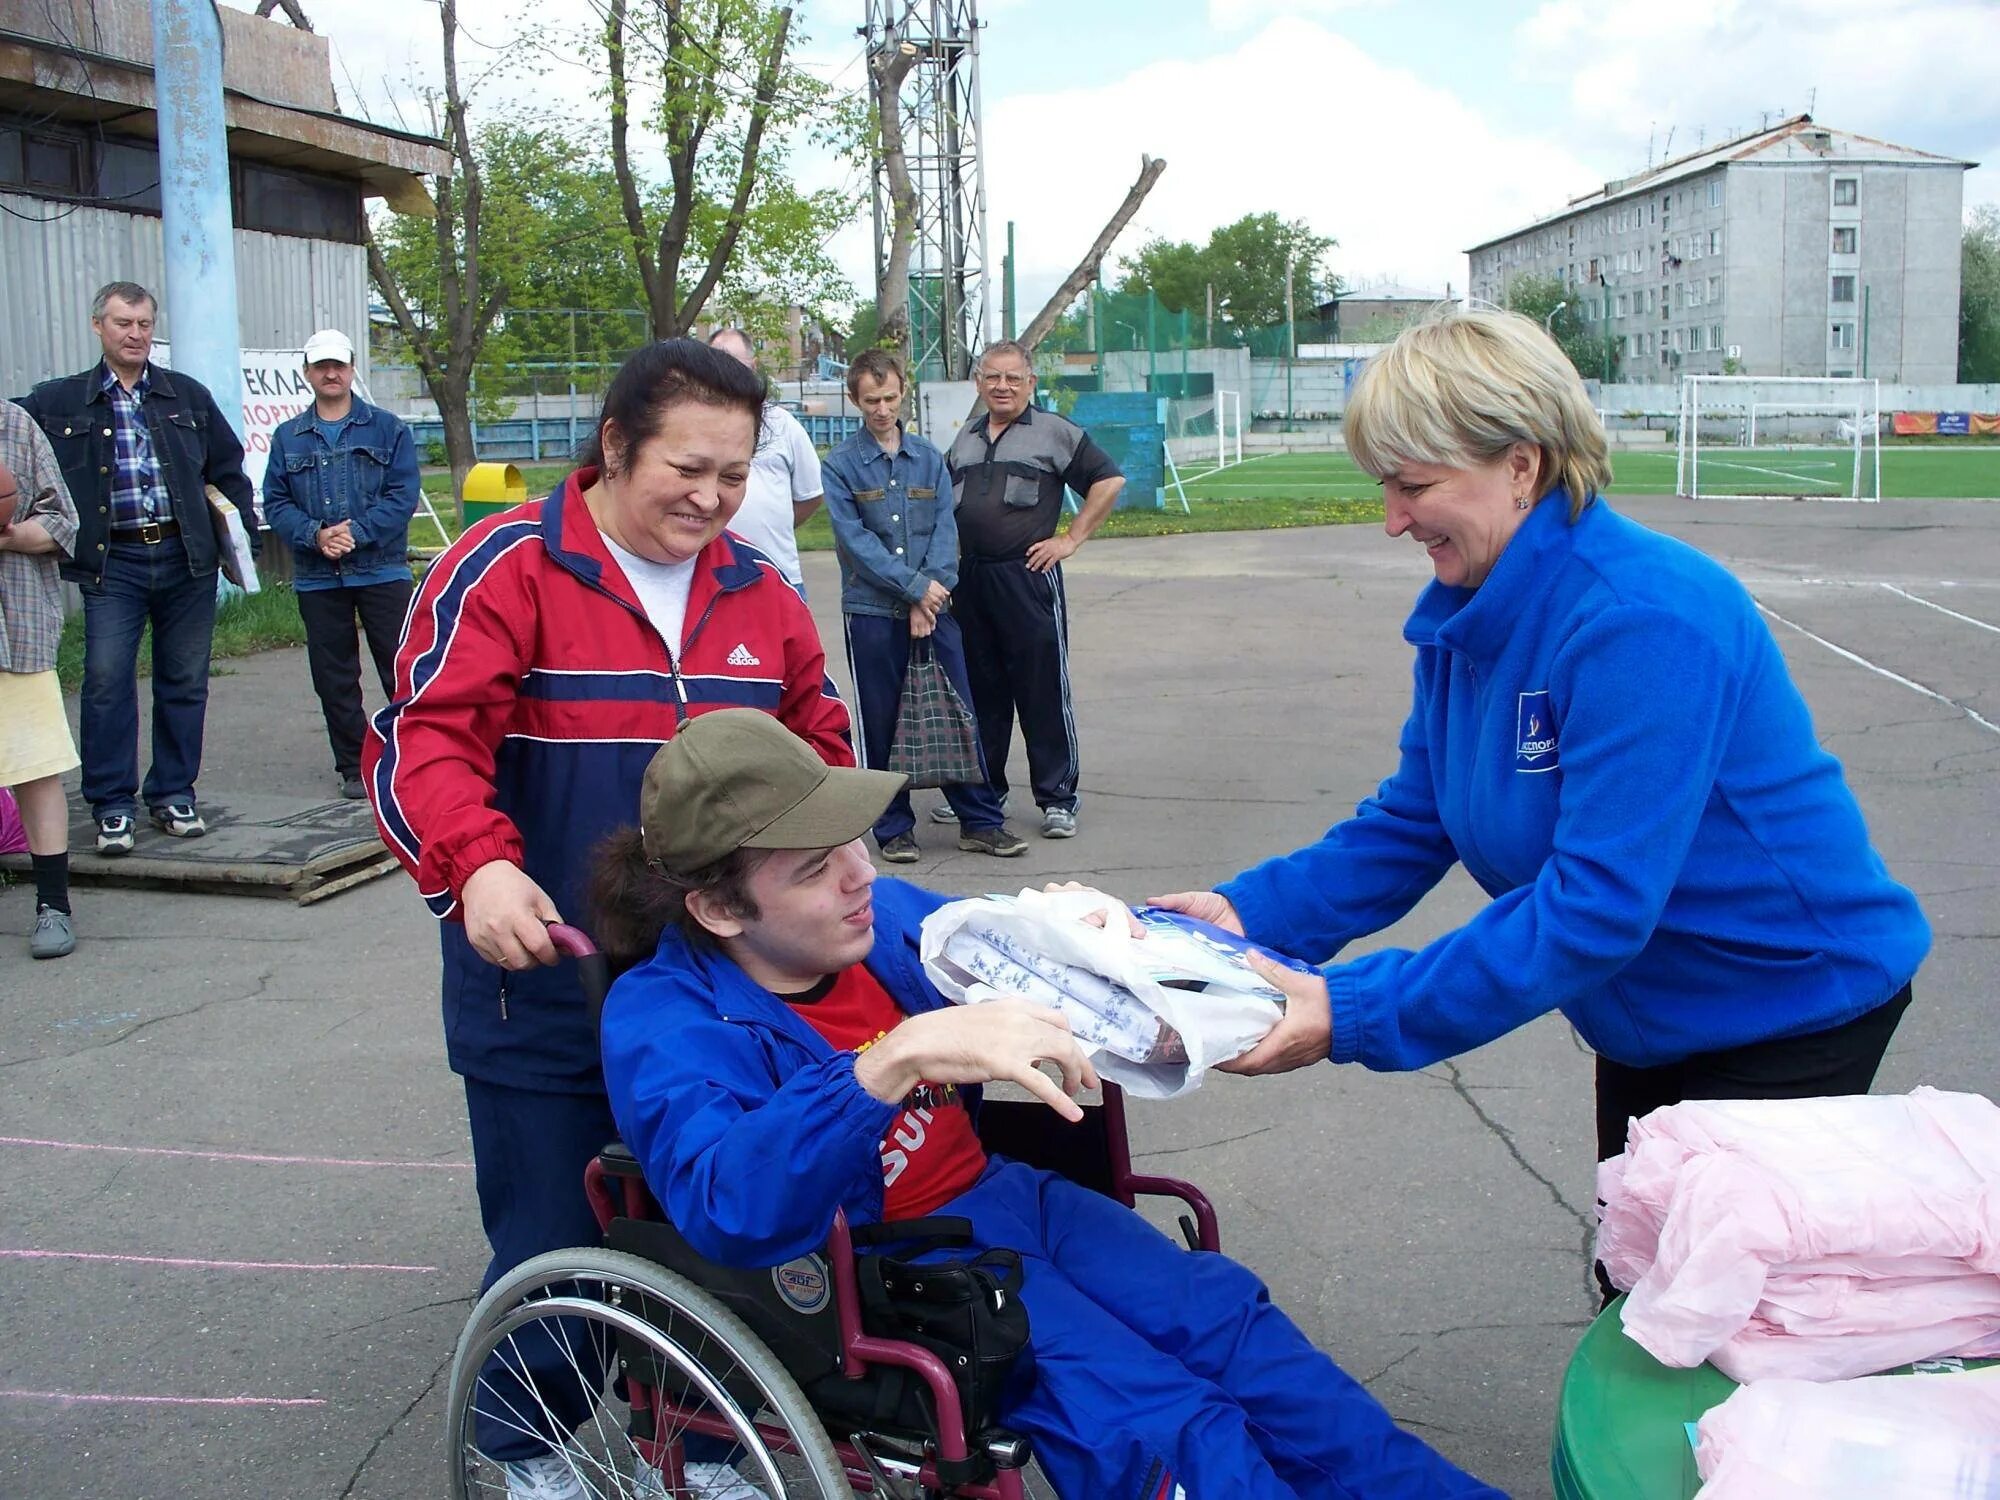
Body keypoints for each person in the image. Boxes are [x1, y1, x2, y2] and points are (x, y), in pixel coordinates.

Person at [1149, 308, 1931, 1299]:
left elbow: (1594, 905)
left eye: (1412, 485)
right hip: (1650, 1015)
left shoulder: (1641, 617)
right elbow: (1410, 822)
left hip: (1785, 1008)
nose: (1390, 518)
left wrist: (1346, 1012)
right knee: (1641, 1277)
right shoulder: (1471, 615)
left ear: (1519, 465)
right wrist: (1243, 919)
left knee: (1708, 1315)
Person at [591, 710, 1504, 1500]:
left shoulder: (878, 920)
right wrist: (890, 1060)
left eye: (856, 845)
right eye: (816, 868)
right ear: (718, 909)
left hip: (1003, 1197)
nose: (861, 876)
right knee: (1161, 1413)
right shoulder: (665, 1020)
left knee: (1234, 1329)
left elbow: (995, 945)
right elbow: (726, 1202)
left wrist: (1080, 927)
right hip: (890, 1271)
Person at [362, 337, 851, 1500]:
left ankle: (714, 1445)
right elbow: (420, 743)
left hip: (717, 992)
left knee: (719, 1227)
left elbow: (819, 746)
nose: (712, 499)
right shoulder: (505, 569)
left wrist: (832, 872)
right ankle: (521, 1455)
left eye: (735, 475)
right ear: (614, 446)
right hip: (544, 975)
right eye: (688, 468)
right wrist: (477, 868)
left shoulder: (759, 592)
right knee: (554, 1236)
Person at [15, 280, 257, 854]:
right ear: (98, 326)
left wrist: (234, 535)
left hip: (185, 557)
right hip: (111, 561)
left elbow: (229, 467)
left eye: (145, 324)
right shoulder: (59, 401)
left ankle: (174, 794)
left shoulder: (186, 397)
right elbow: (12, 444)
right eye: (124, 323)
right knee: (104, 682)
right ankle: (112, 805)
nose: (136, 334)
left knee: (185, 681)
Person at [821, 349, 1024, 863]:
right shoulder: (841, 466)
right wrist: (913, 590)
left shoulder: (929, 458)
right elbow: (855, 543)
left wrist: (930, 596)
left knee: (960, 713)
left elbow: (943, 531)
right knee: (883, 719)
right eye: (871, 401)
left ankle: (979, 820)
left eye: (890, 397)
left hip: (935, 607)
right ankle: (893, 827)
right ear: (855, 399)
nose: (882, 409)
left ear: (903, 390)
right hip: (871, 611)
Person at [942, 340, 1125, 841]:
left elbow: (1108, 480)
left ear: (1031, 383)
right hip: (971, 580)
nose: (1002, 386)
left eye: (1013, 378)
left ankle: (1057, 796)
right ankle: (987, 792)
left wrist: (1070, 539)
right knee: (982, 690)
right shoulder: (966, 439)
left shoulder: (1054, 431)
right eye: (992, 377)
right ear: (979, 382)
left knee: (1041, 688)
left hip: (1027, 578)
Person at [261, 328, 422, 800]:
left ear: (352, 368)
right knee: (333, 675)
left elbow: (402, 495)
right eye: (321, 366)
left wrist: (356, 533)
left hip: (382, 569)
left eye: (339, 364)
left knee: (403, 667)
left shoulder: (388, 429)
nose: (331, 373)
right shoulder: (288, 437)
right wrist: (314, 535)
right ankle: (354, 764)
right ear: (307, 372)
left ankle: (412, 758)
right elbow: (276, 502)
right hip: (317, 576)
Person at [0, 405, 82, 959]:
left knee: (35, 768)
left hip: (15, 626)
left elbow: (62, 521)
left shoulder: (13, 425)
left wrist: (7, 534)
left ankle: (53, 904)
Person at [706, 328, 823, 594]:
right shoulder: (696, 428)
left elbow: (812, 495)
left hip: (780, 575)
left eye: (736, 365)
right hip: (715, 579)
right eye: (717, 366)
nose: (728, 375)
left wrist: (776, 523)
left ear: (753, 366)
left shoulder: (784, 425)